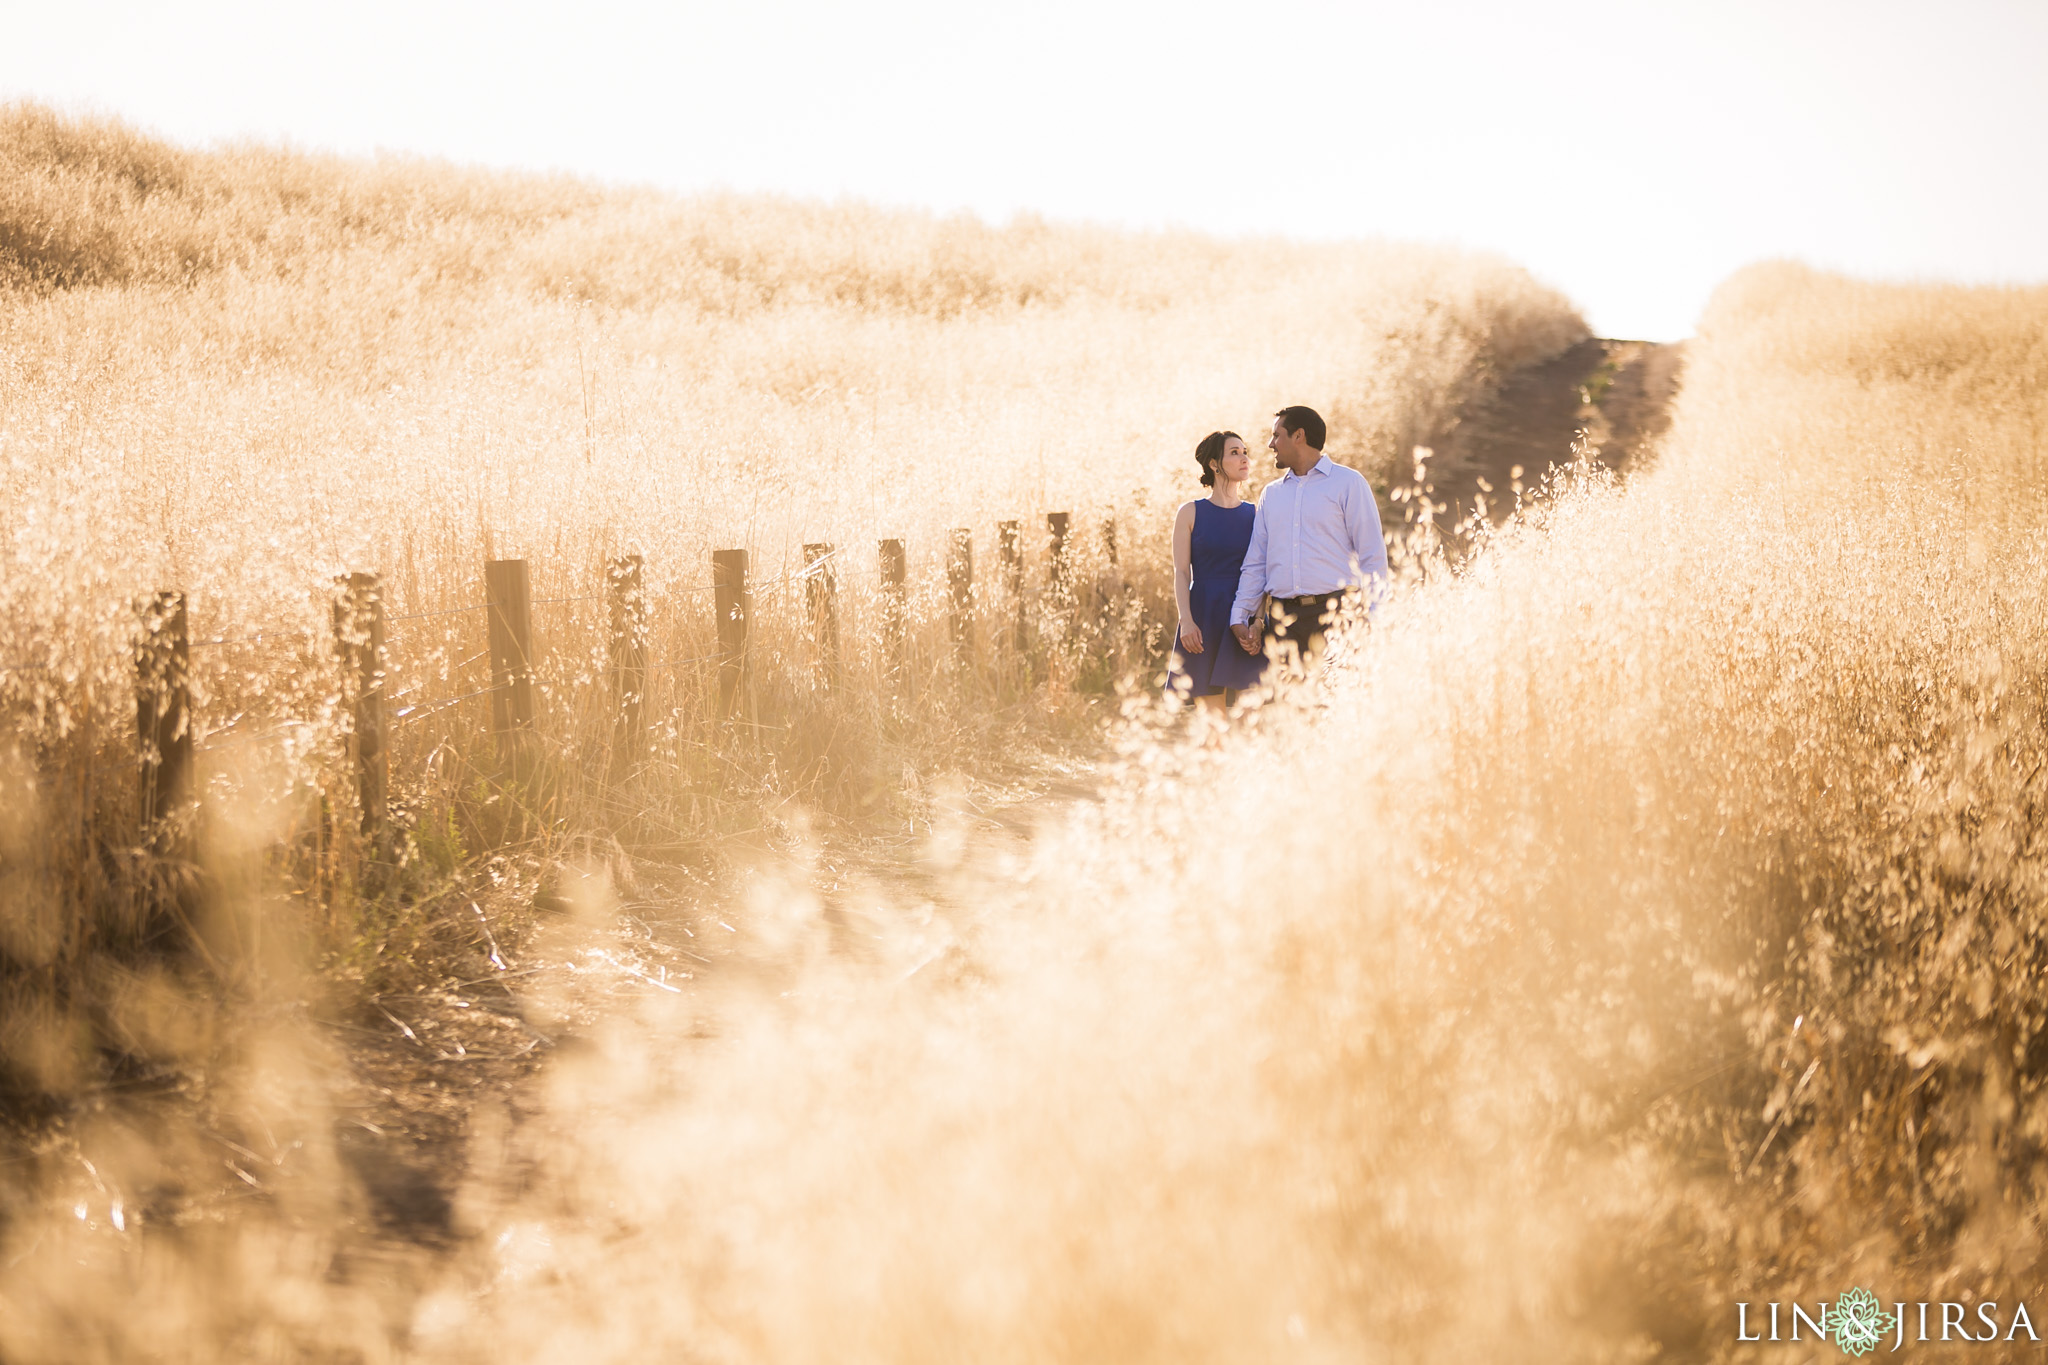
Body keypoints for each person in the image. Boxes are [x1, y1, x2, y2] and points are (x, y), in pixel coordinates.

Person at [1229, 405, 1388, 673]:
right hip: (1283, 622)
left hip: (1338, 616)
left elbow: (1372, 555)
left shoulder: (1348, 483)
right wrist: (1240, 613)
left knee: (1335, 705)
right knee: (1292, 710)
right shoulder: (1271, 494)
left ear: (1298, 436)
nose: (1271, 444)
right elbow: (1257, 562)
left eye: (1277, 435)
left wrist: (1373, 615)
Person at [1165, 431, 1267, 710]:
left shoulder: (1256, 514)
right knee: (1213, 721)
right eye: (1234, 452)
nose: (1244, 457)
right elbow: (1181, 572)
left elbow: (1263, 573)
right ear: (1214, 463)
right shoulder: (1190, 512)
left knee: (1250, 718)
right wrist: (1186, 620)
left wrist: (1258, 622)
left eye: (1245, 451)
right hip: (1205, 615)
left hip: (1244, 617)